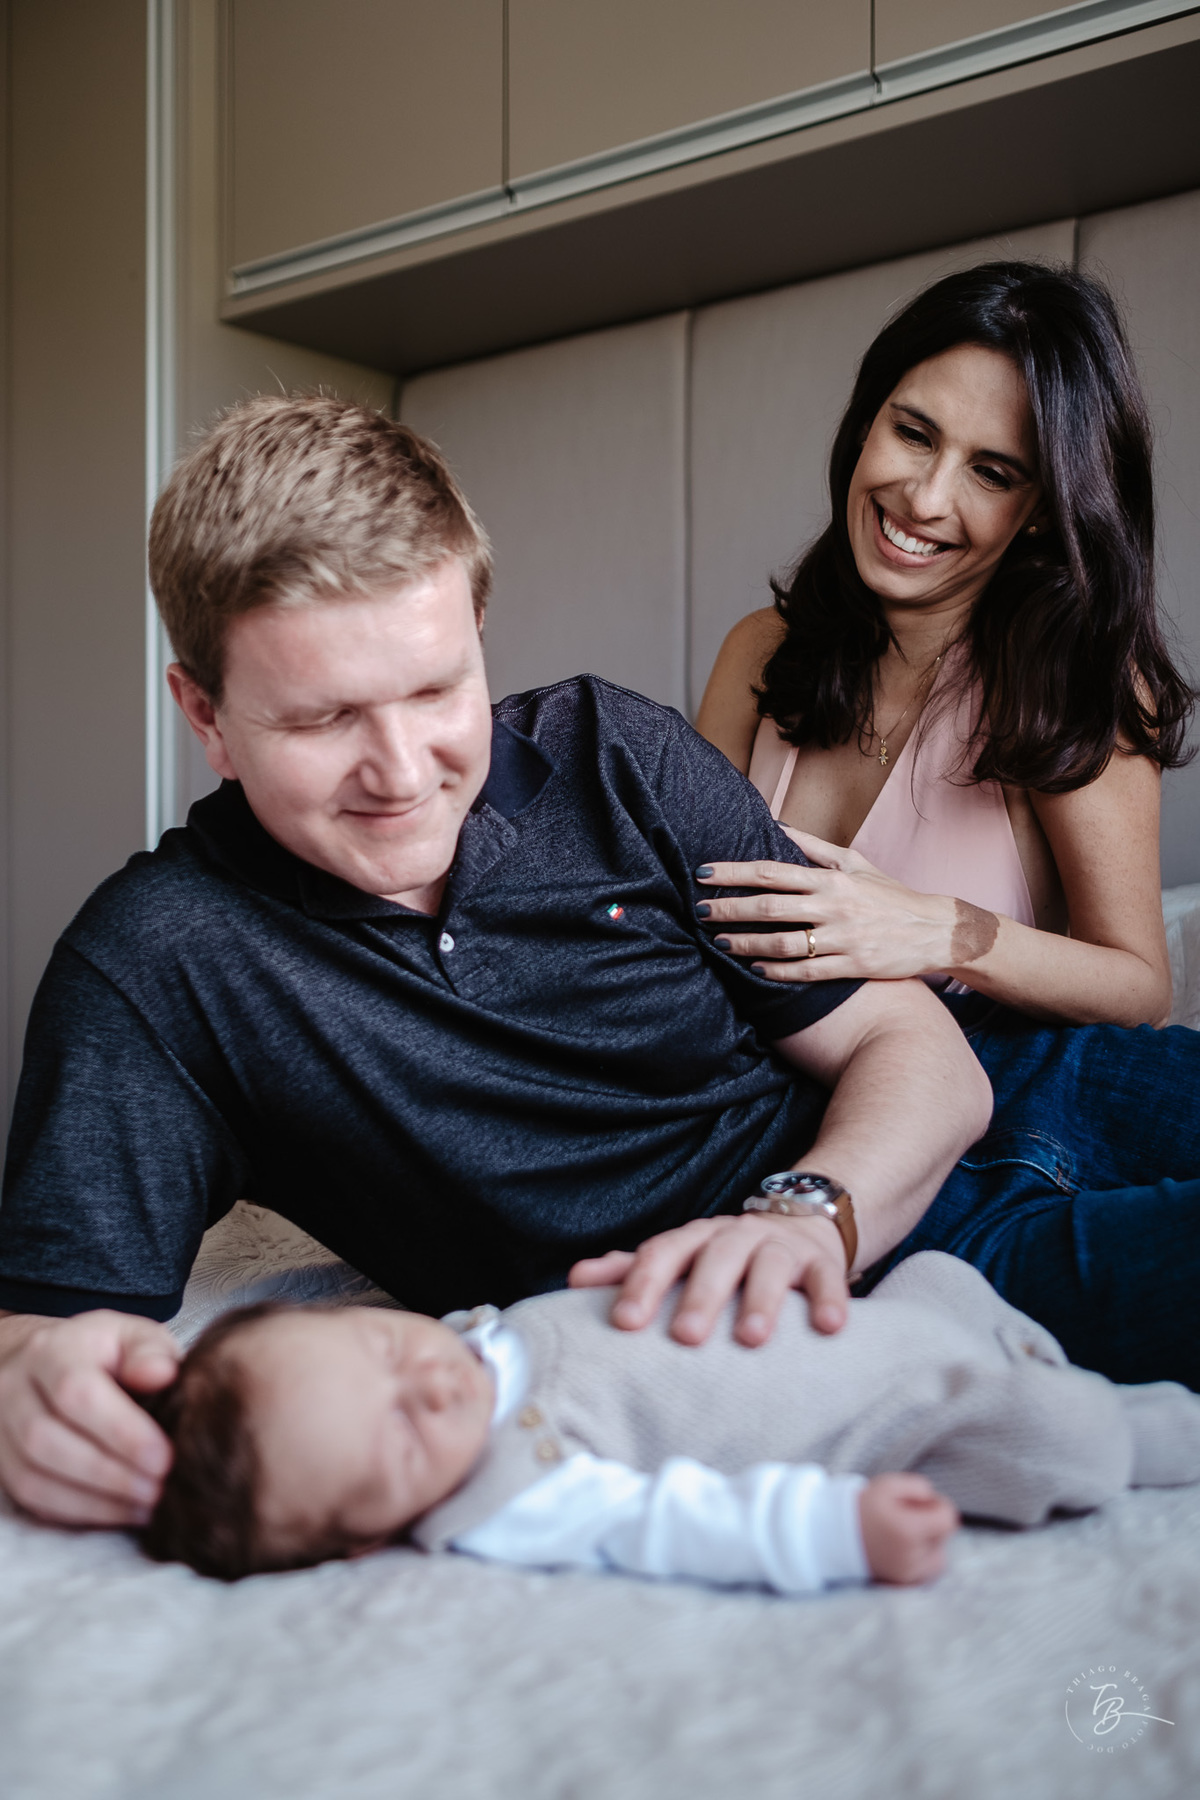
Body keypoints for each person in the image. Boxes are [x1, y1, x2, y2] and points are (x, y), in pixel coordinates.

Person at [0, 394, 993, 1534]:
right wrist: (22, 1380)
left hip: (923, 1161)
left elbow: (918, 1047)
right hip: (886, 1305)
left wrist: (803, 1217)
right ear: (207, 716)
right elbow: (47, 1327)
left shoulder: (616, 754)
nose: (401, 771)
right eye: (324, 719)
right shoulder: (159, 964)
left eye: (436, 690)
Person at [696, 261, 1195, 1027]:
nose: (925, 499)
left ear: (1039, 511)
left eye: (991, 473)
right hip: (740, 1101)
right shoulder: (759, 652)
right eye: (914, 433)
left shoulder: (1072, 681)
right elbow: (685, 909)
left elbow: (1141, 991)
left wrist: (941, 931)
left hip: (969, 1120)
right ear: (868, 421)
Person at [138, 1254, 1200, 1586]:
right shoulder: (514, 1496)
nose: (427, 1384)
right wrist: (838, 1532)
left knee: (939, 1283)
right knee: (1075, 1440)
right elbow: (677, 1521)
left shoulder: (460, 1344)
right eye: (401, 1439)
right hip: (878, 1418)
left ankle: (996, 1345)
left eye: (379, 1349)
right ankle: (1147, 1429)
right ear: (368, 1533)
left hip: (851, 1319)